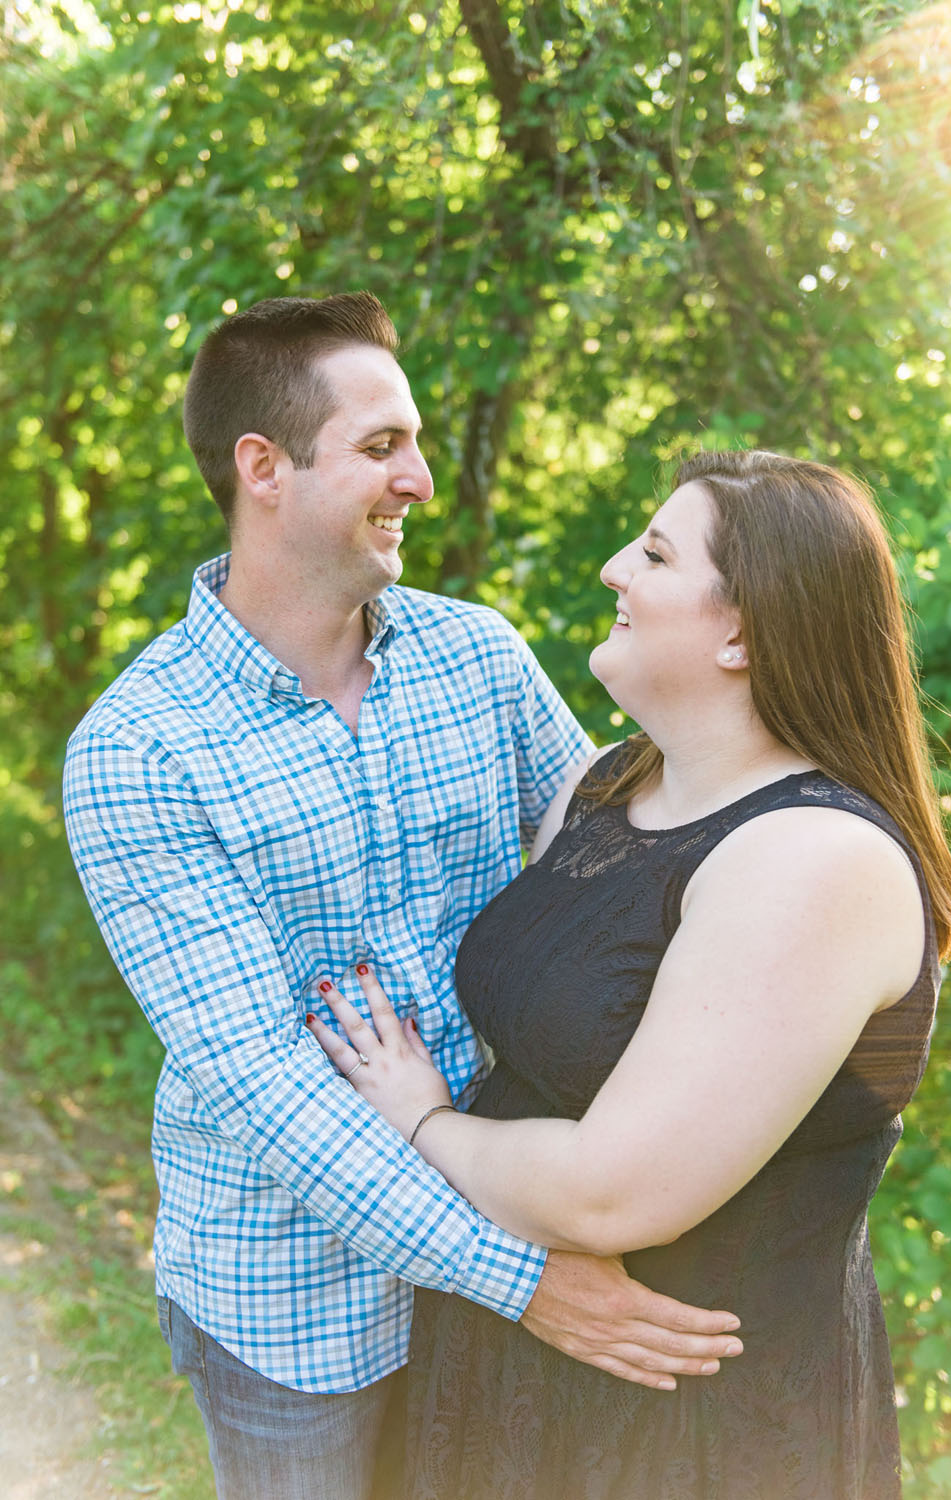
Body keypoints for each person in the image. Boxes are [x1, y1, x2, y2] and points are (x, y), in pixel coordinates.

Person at [62, 294, 743, 1500]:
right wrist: (526, 1282)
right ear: (262, 468)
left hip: (511, 1214)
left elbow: (625, 861)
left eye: (418, 441)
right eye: (382, 447)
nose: (421, 479)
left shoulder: (473, 655)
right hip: (298, 1307)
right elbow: (262, 1086)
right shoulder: (139, 750)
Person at [306, 449, 951, 1500]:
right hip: (511, 1376)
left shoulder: (814, 861)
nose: (617, 568)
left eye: (656, 553)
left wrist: (420, 1123)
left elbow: (611, 1195)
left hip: (694, 1428)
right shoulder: (607, 782)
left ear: (742, 631)